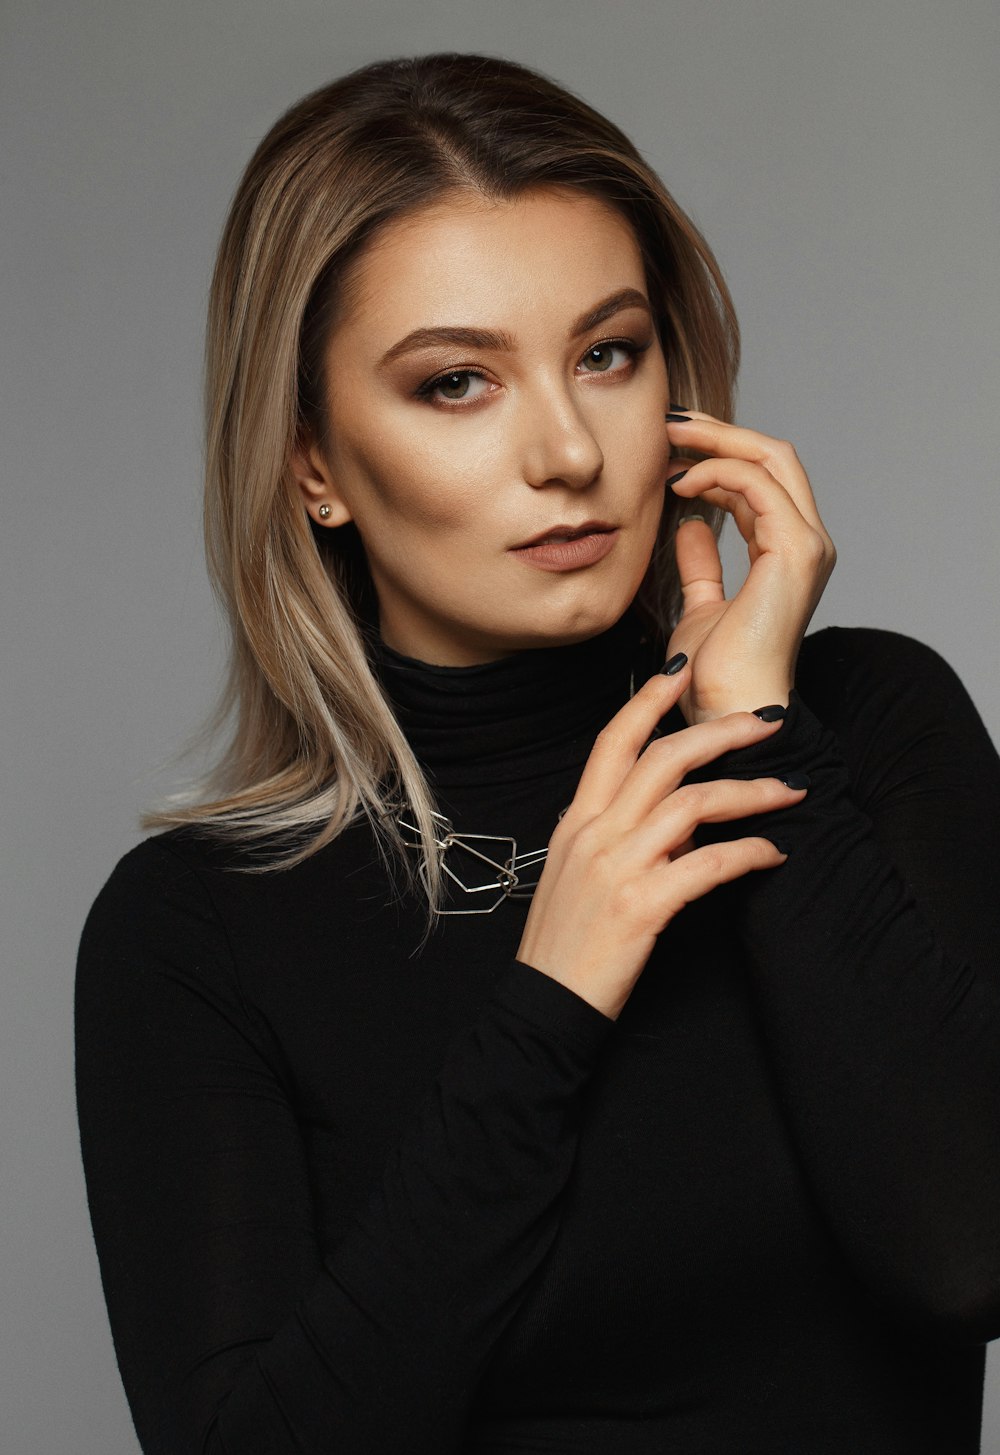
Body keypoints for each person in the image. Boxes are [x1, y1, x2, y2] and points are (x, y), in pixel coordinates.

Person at [74, 51, 1000, 1455]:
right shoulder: (196, 931)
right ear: (311, 462)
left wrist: (756, 730)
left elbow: (969, 1259)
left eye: (608, 354)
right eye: (457, 384)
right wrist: (553, 1000)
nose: (568, 449)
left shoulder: (867, 728)